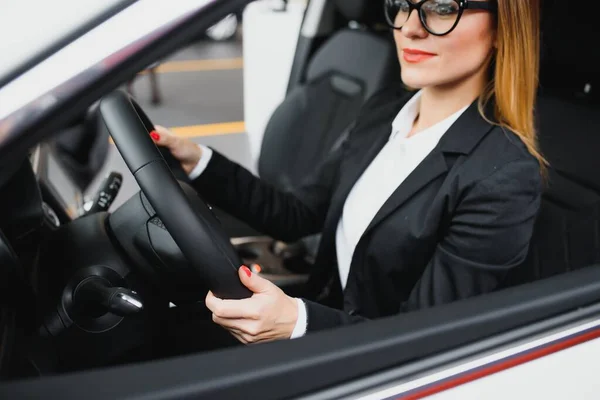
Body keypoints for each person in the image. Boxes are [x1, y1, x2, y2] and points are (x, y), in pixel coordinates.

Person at [151, 0, 544, 344]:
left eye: (443, 7)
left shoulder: (503, 176)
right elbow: (297, 213)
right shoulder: (384, 112)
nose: (409, 26)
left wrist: (299, 323)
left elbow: (424, 339)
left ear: (500, 29)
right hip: (321, 328)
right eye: (402, 3)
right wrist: (195, 159)